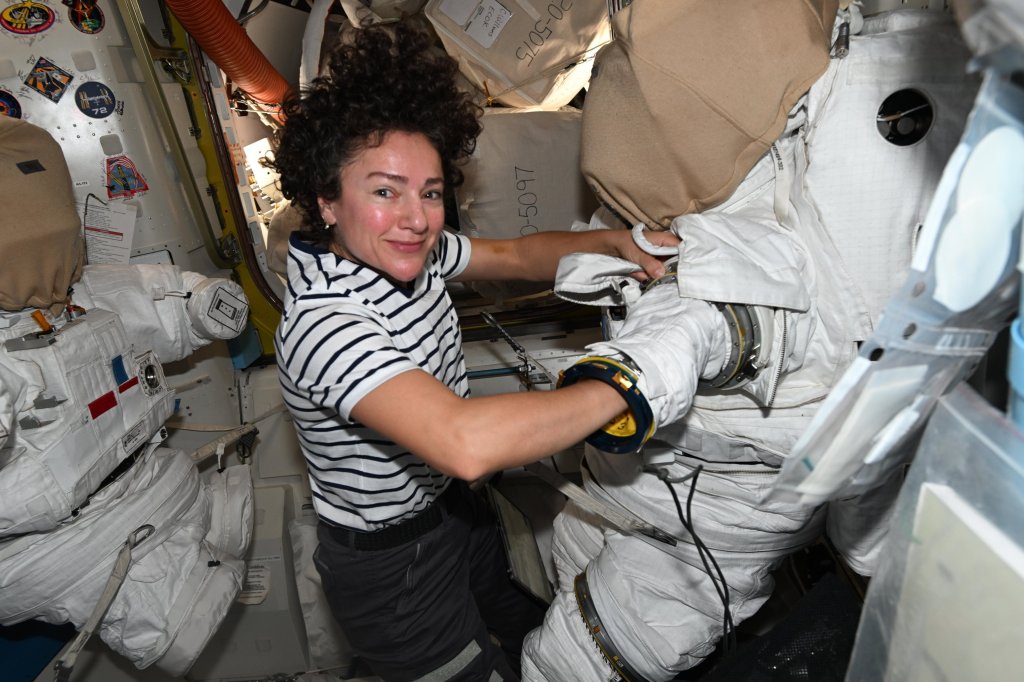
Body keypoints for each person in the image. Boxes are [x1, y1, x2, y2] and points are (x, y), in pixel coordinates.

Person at [265, 22, 681, 681]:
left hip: (456, 508)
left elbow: (516, 255)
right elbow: (464, 442)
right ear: (325, 201)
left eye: (429, 192)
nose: (417, 217)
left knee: (528, 630)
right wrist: (638, 377)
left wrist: (615, 244)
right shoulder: (324, 325)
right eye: (384, 191)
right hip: (390, 567)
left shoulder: (412, 254)